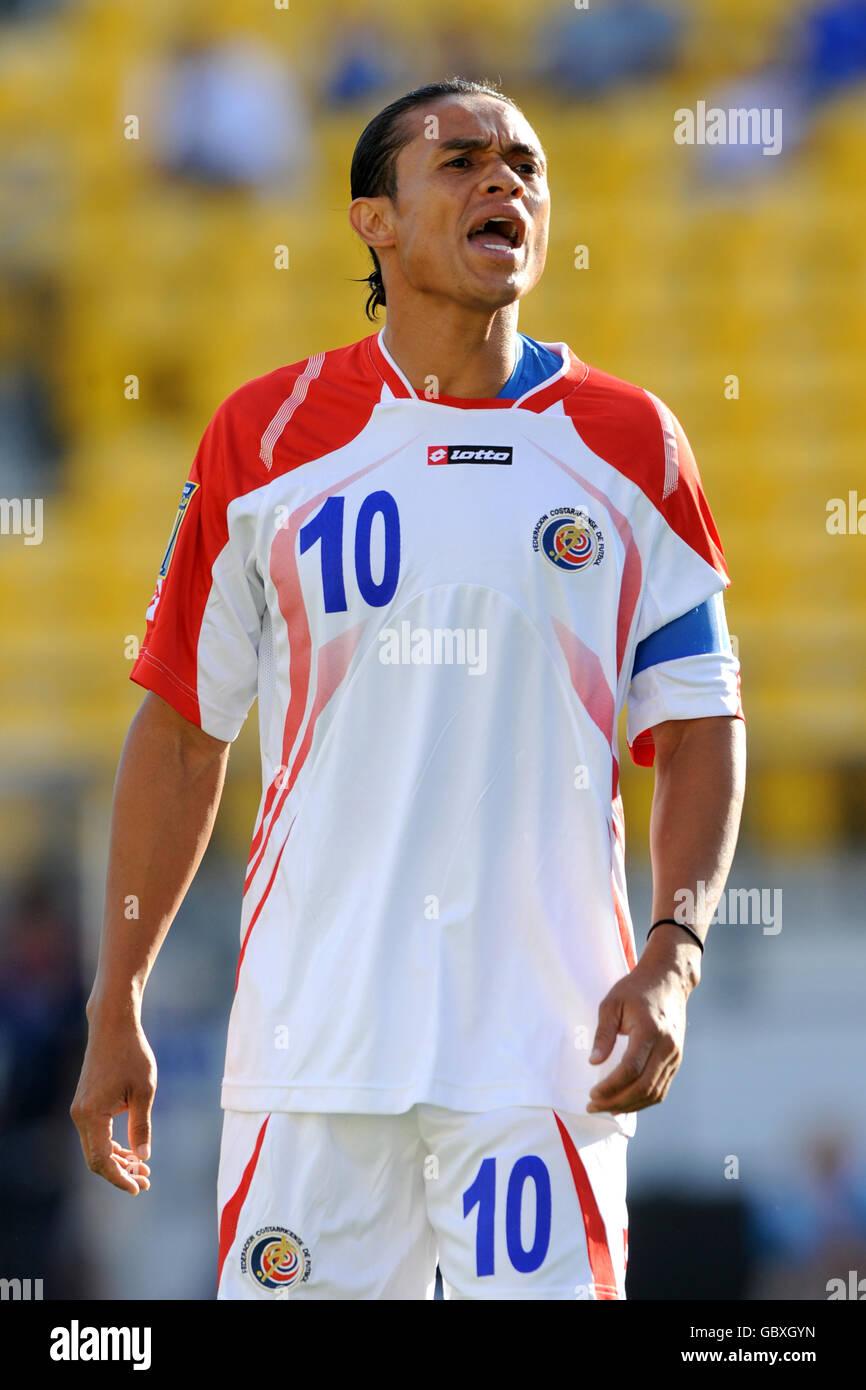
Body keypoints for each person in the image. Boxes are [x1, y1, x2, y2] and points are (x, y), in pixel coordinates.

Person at [70, 77, 746, 1301]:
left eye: (526, 166)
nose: (506, 181)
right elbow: (181, 732)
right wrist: (116, 997)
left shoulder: (630, 441)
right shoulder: (261, 438)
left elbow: (699, 719)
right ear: (371, 221)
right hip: (310, 1051)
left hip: (546, 1051)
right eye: (463, 159)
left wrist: (673, 953)